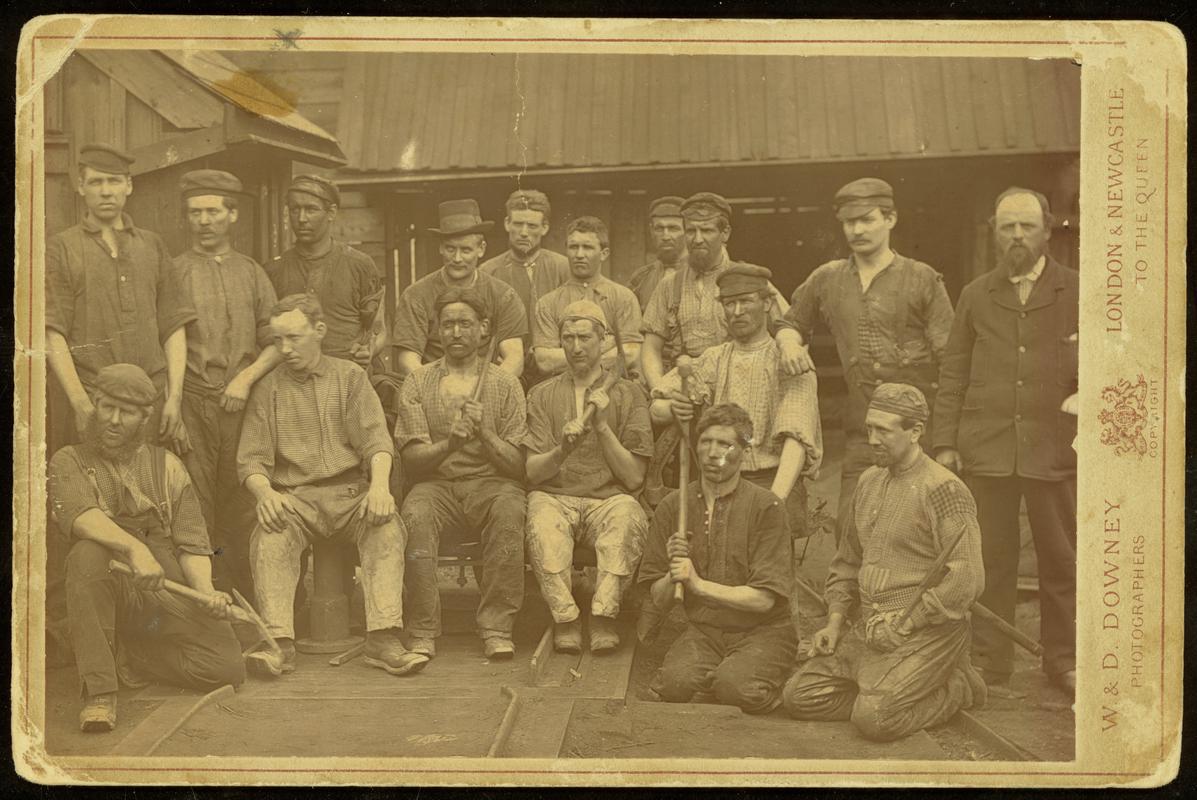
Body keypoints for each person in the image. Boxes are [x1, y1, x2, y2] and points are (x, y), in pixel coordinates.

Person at [933, 187, 1079, 696]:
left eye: (1026, 226)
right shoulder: (975, 294)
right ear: (994, 233)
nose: (1017, 237)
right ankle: (991, 662)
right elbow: (953, 373)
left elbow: (1110, 369)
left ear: (1048, 229)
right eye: (1007, 228)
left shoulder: (1080, 292)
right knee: (989, 560)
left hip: (1055, 449)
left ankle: (1063, 661)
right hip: (987, 449)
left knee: (1060, 558)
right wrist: (946, 442)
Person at [782, 383, 987, 741]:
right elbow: (847, 563)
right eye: (869, 428)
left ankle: (959, 686)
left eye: (884, 430)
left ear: (915, 432)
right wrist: (834, 623)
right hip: (873, 627)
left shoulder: (944, 490)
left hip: (929, 631)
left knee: (876, 720)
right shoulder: (869, 481)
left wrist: (912, 621)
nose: (872, 439)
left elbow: (966, 579)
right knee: (799, 697)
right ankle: (885, 689)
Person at [237, 294, 427, 678]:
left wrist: (379, 487)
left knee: (386, 526)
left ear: (319, 331)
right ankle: (278, 644)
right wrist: (265, 493)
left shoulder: (350, 378)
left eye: (294, 337)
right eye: (277, 341)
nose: (284, 349)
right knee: (270, 533)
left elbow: (376, 441)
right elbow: (251, 460)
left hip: (350, 493)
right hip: (297, 498)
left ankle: (383, 637)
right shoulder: (267, 389)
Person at [47, 364, 245, 732]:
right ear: (95, 404)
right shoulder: (68, 460)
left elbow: (191, 541)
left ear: (144, 418)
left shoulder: (167, 466)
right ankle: (100, 692)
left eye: (127, 412)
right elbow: (79, 515)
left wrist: (205, 593)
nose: (114, 420)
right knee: (87, 556)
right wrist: (136, 550)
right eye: (107, 407)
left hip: (158, 587)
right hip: (107, 582)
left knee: (226, 666)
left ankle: (129, 658)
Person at [784, 177, 954, 544]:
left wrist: (948, 438)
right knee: (851, 528)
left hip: (919, 431)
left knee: (926, 531)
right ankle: (850, 603)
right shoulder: (827, 279)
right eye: (849, 222)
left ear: (891, 219)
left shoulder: (922, 278)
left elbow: (951, 359)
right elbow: (791, 322)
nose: (857, 230)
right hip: (865, 432)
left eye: (867, 219)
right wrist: (789, 343)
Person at [637, 404, 798, 714]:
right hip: (705, 631)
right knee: (674, 685)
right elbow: (657, 600)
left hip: (763, 630)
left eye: (725, 444)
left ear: (744, 450)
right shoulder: (674, 506)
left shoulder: (767, 507)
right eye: (705, 441)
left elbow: (764, 601)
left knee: (738, 689)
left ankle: (757, 674)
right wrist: (674, 575)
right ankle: (724, 673)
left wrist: (696, 583)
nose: (712, 452)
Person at [396, 287, 529, 660]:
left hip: (493, 485)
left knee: (510, 511)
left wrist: (485, 432)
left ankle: (497, 627)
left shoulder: (505, 384)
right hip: (436, 486)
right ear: (436, 329)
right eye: (448, 324)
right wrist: (449, 444)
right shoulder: (418, 382)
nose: (456, 332)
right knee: (414, 515)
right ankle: (422, 628)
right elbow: (412, 460)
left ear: (484, 329)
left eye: (465, 324)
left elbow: (518, 467)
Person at [650, 264, 822, 537]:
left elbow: (797, 440)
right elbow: (657, 407)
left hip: (774, 483)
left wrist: (773, 504)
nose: (737, 311)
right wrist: (672, 407)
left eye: (746, 301)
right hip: (718, 481)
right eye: (730, 303)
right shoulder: (713, 359)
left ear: (767, 303)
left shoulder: (790, 361)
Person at [46, 142, 194, 450]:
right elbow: (52, 333)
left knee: (147, 490)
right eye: (96, 182)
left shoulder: (152, 245)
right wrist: (80, 403)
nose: (106, 191)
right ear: (81, 186)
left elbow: (173, 327)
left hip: (147, 402)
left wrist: (174, 398)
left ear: (128, 186)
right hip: (95, 400)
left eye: (114, 181)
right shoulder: (62, 248)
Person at [173, 169, 280, 597]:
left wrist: (245, 379)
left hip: (242, 406)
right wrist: (175, 403)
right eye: (195, 212)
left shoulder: (253, 274)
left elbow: (275, 343)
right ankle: (208, 599)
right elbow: (168, 341)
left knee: (243, 502)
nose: (204, 221)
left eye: (213, 211)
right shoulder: (175, 271)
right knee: (196, 503)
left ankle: (254, 601)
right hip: (193, 405)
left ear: (232, 215)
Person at [525, 300, 653, 654]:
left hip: (608, 499)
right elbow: (532, 473)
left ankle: (603, 617)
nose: (576, 347)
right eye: (568, 337)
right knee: (540, 518)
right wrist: (561, 451)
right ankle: (565, 618)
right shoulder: (541, 394)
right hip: (555, 496)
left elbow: (633, 479)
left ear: (604, 340)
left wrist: (601, 428)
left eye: (585, 337)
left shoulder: (628, 394)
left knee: (628, 516)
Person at [640, 191, 802, 391]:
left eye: (707, 231)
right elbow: (651, 347)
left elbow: (789, 325)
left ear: (725, 233)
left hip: (740, 384)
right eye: (691, 231)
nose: (697, 239)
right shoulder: (669, 285)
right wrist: (660, 389)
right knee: (659, 412)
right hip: (686, 388)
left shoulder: (748, 279)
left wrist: (788, 348)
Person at [392, 199, 527, 378]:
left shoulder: (503, 295)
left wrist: (489, 390)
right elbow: (408, 360)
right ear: (440, 248)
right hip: (434, 384)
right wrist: (437, 389)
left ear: (481, 249)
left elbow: (514, 357)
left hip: (485, 385)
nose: (457, 258)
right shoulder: (415, 295)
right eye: (450, 249)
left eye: (465, 250)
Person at [265, 174, 387, 369]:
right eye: (295, 209)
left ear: (331, 212)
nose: (302, 218)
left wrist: (369, 350)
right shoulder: (274, 269)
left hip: (348, 379)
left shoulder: (359, 264)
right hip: (293, 381)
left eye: (311, 209)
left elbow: (378, 330)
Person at [531, 216, 643, 379]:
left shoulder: (623, 297)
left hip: (613, 387)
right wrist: (608, 345)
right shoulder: (548, 303)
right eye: (573, 247)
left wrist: (571, 354)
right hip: (563, 390)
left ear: (604, 253)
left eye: (588, 247)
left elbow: (631, 353)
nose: (579, 254)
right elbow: (545, 361)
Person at [479, 189, 571, 384]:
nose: (523, 232)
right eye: (518, 224)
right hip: (506, 369)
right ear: (507, 224)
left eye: (531, 225)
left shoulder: (563, 267)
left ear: (544, 227)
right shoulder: (488, 272)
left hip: (556, 372)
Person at [627, 195, 688, 311]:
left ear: (687, 230)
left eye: (673, 228)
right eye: (659, 229)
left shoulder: (702, 273)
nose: (665, 236)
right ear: (651, 231)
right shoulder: (640, 278)